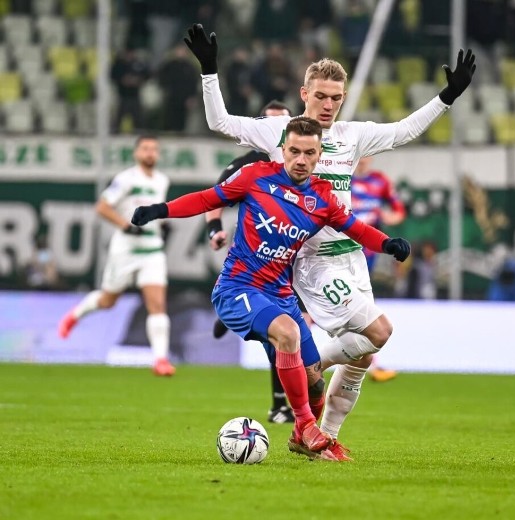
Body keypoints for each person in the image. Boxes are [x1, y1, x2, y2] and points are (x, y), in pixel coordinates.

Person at [183, 23, 475, 459]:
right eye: (321, 96)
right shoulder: (279, 132)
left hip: (352, 256)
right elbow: (219, 121)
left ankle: (324, 433)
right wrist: (209, 70)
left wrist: (445, 98)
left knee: (365, 353)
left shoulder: (350, 136)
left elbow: (403, 131)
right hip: (311, 261)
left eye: (336, 98)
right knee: (378, 330)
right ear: (304, 93)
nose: (329, 105)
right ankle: (309, 361)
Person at [130, 116, 412, 460]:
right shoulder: (256, 177)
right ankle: (307, 425)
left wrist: (387, 244)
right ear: (283, 150)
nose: (301, 159)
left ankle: (298, 437)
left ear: (319, 154)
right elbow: (207, 199)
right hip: (238, 289)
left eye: (309, 153)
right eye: (294, 151)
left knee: (314, 383)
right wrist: (159, 209)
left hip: (280, 295)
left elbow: (355, 228)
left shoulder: (322, 198)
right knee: (289, 333)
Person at [206, 100, 296, 424]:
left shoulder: (300, 166)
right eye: (269, 123)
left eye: (283, 124)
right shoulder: (247, 166)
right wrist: (214, 231)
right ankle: (281, 406)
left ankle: (284, 405)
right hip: (253, 263)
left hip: (290, 262)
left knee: (287, 333)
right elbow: (213, 200)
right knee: (282, 332)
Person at [57, 135, 176, 377]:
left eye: (154, 149)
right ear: (136, 153)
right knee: (107, 301)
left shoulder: (163, 180)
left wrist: (160, 224)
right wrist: (124, 225)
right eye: (145, 149)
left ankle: (160, 360)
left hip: (152, 249)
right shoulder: (126, 179)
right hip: (126, 248)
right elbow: (102, 206)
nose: (150, 153)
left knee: (157, 304)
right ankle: (74, 315)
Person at [350, 156, 407, 382]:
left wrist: (387, 217)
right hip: (343, 249)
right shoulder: (343, 177)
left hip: (368, 253)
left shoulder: (380, 181)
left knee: (359, 305)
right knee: (357, 305)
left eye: (367, 155)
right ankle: (370, 364)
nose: (362, 160)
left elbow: (398, 210)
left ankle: (368, 363)